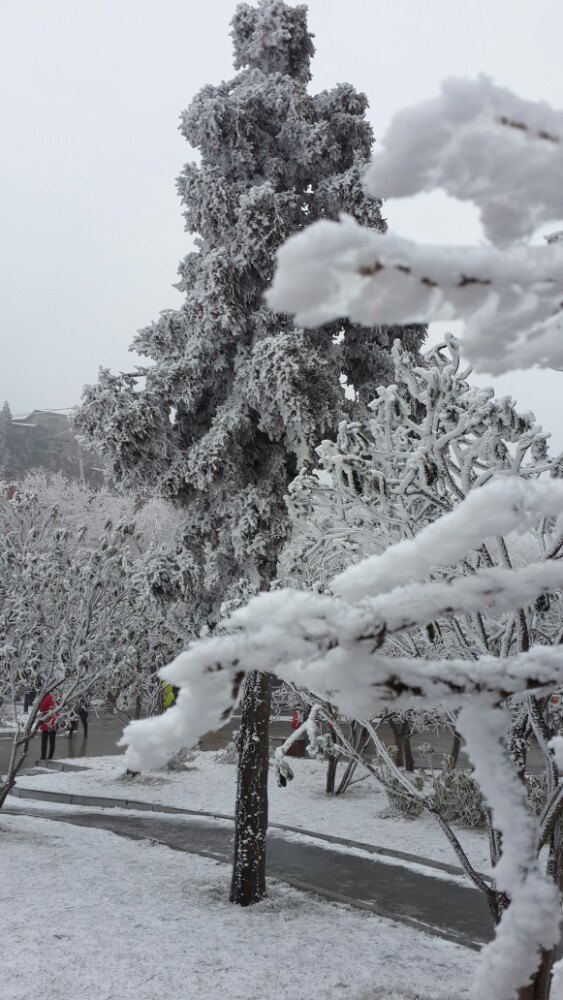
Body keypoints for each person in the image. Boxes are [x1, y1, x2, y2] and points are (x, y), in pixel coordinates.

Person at [38, 690, 61, 760]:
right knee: (52, 740)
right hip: (55, 720)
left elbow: (42, 708)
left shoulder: (46, 697)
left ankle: (43, 756)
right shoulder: (58, 695)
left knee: (44, 740)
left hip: (47, 720)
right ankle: (50, 756)